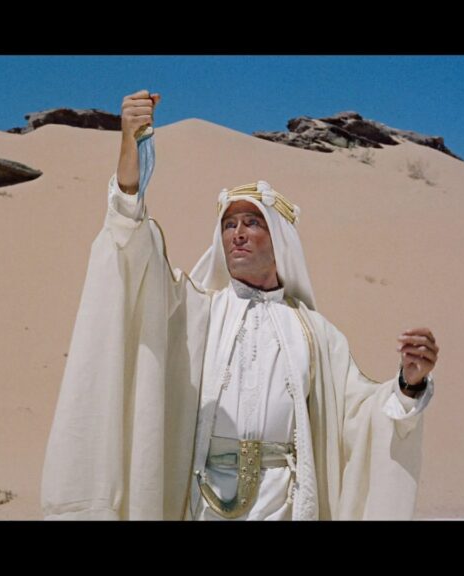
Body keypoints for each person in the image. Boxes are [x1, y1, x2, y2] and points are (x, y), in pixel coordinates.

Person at [42, 91, 439, 520]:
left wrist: (409, 384)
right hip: (204, 497)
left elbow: (360, 419)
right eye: (229, 224)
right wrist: (129, 159)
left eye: (252, 222)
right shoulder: (196, 313)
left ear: (280, 240)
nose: (238, 234)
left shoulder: (316, 333)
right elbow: (132, 250)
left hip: (286, 501)